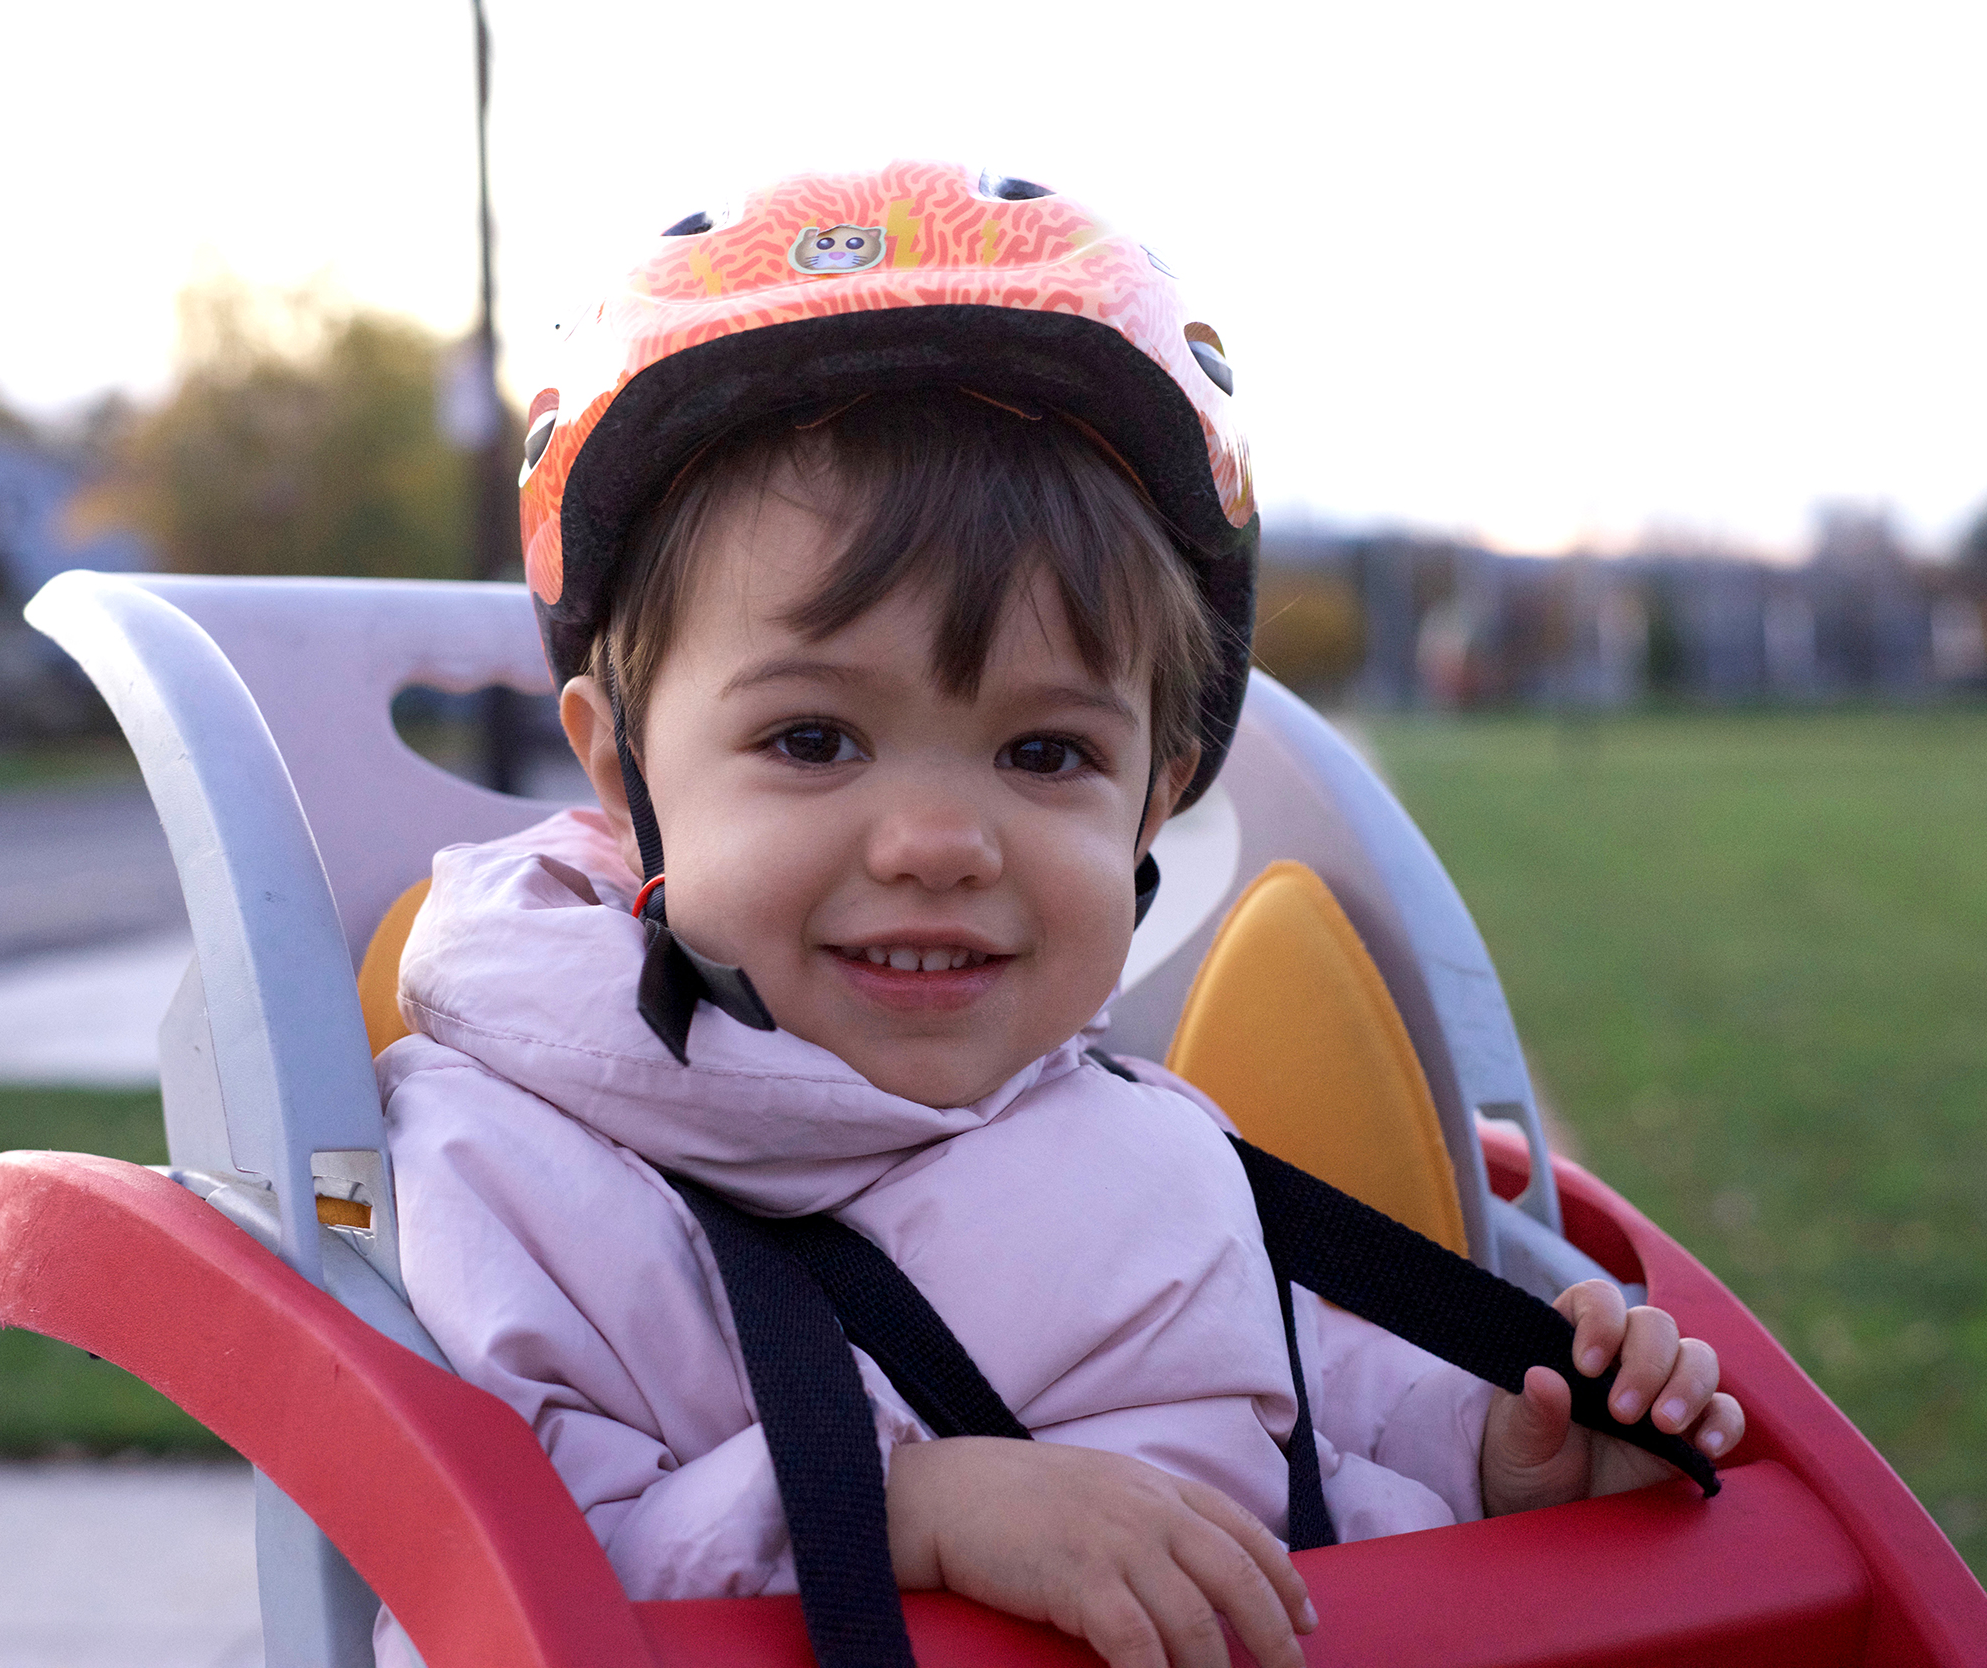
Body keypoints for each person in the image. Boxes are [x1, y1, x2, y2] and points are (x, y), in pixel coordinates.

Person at [373, 161, 1742, 1668]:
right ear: (620, 771)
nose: (943, 842)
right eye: (814, 740)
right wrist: (908, 1513)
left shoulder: (1128, 1124)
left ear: (1150, 806)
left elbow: (1291, 1391)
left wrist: (1499, 1448)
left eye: (1044, 754)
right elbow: (504, 1573)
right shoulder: (502, 1169)